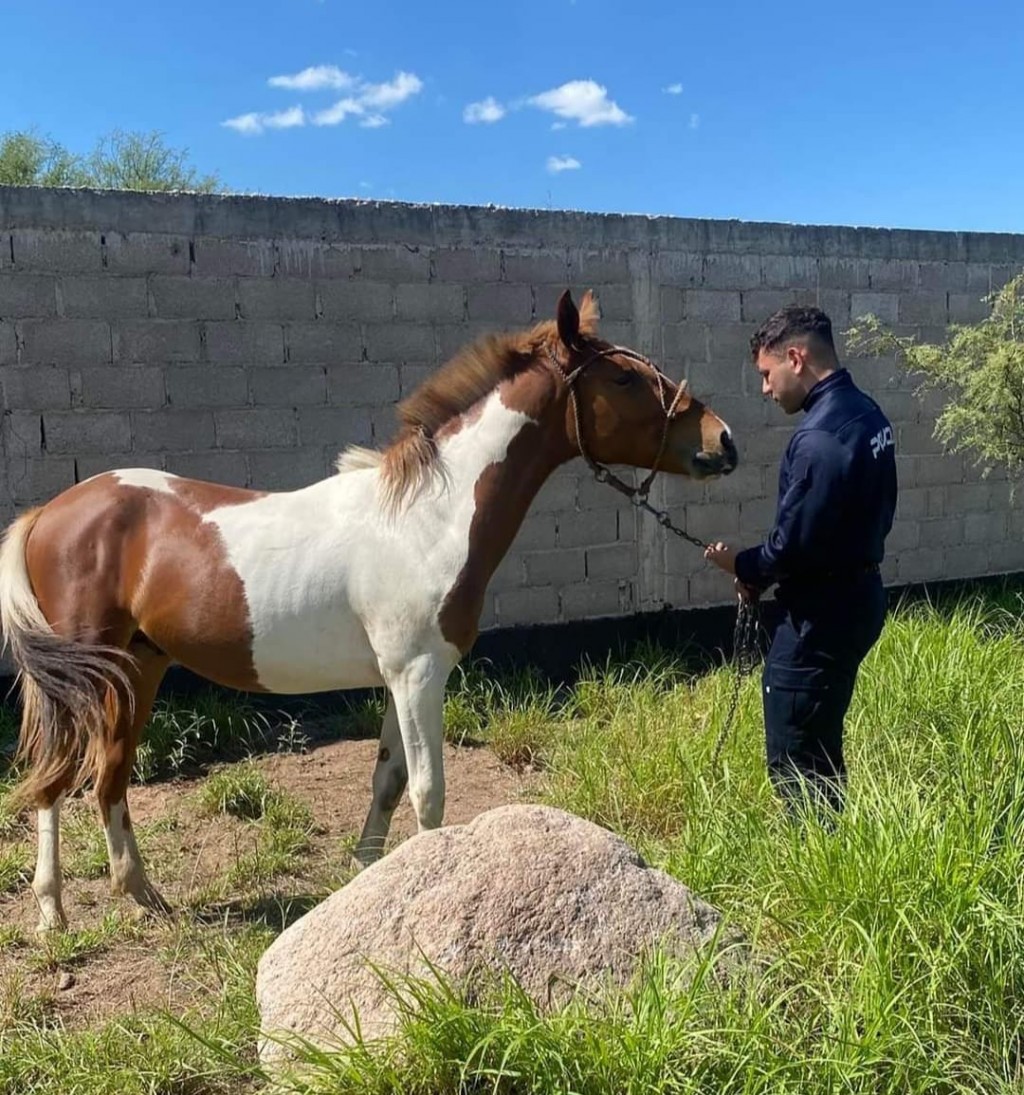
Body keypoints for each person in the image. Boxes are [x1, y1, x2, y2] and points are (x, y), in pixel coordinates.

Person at [704, 305, 897, 814]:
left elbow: (791, 547)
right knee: (821, 741)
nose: (766, 390)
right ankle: (835, 846)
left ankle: (819, 870)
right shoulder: (868, 415)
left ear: (796, 357)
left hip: (819, 617)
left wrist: (742, 567)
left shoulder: (817, 440)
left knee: (797, 757)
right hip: (860, 596)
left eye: (767, 375)